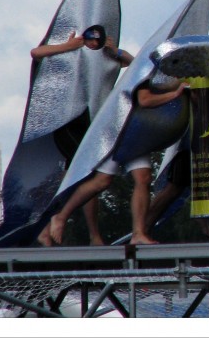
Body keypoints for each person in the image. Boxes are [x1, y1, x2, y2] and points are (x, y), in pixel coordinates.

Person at [47, 79, 189, 246]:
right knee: (102, 181)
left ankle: (138, 234)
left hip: (137, 134)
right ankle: (61, 216)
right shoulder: (145, 70)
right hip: (118, 130)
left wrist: (180, 84)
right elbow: (145, 100)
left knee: (143, 179)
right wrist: (175, 93)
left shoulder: (161, 73)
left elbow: (161, 83)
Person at [35, 26, 133, 246]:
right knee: (85, 176)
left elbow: (136, 65)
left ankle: (89, 233)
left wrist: (115, 51)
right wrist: (67, 46)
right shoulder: (69, 51)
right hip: (68, 121)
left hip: (92, 123)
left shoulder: (106, 58)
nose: (93, 42)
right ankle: (60, 225)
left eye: (98, 39)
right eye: (90, 38)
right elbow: (36, 53)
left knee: (83, 179)